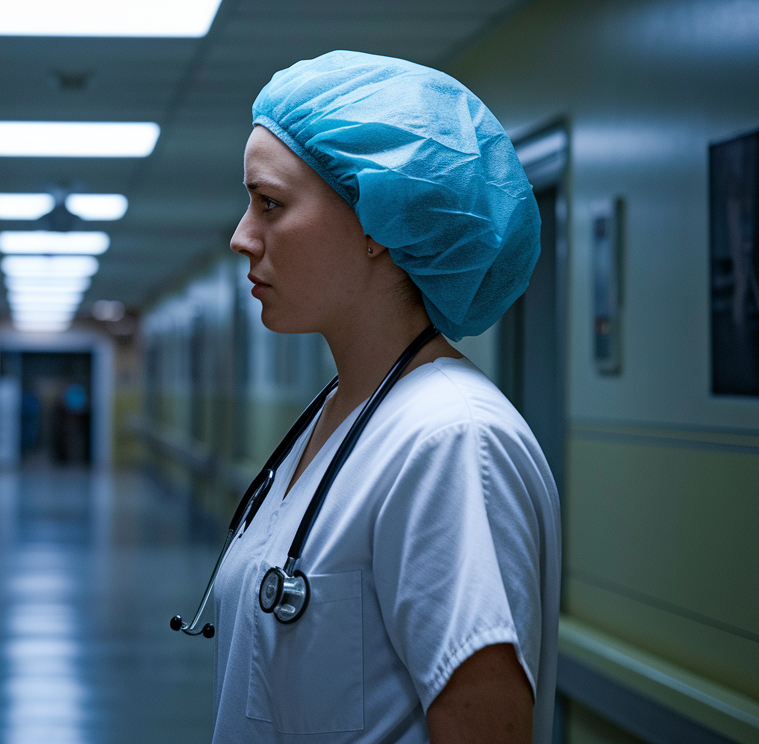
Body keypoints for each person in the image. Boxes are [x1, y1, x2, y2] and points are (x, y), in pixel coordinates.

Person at [212, 51, 561, 743]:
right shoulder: (341, 414)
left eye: (270, 203)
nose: (241, 237)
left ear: (379, 217)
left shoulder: (450, 441)